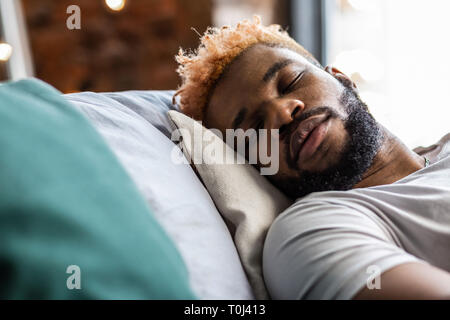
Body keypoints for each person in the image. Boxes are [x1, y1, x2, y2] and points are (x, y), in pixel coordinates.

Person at [173, 16, 450, 299]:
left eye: (291, 81)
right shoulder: (309, 232)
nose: (282, 113)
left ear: (342, 78)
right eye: (255, 129)